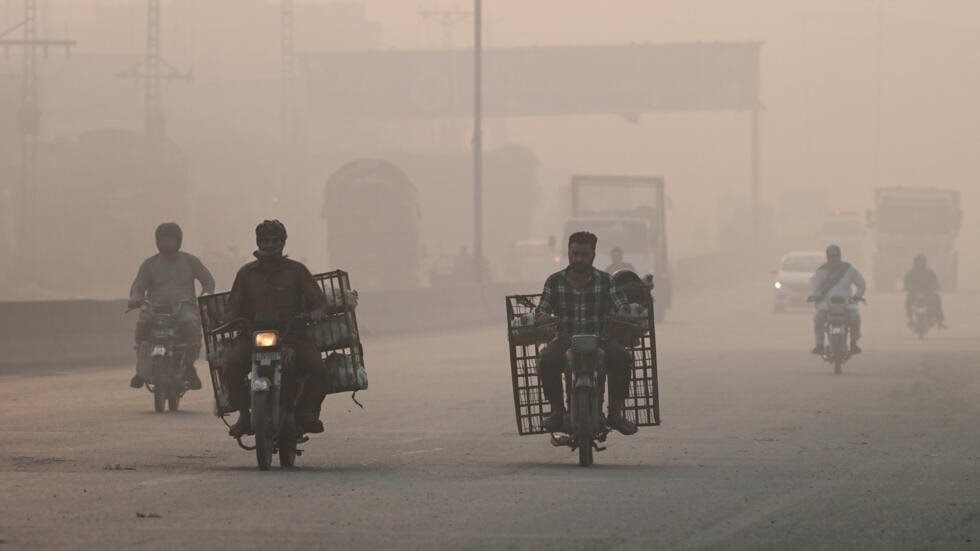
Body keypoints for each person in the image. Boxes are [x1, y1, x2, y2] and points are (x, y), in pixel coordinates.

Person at [222, 220, 330, 438]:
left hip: (294, 335)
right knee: (230, 366)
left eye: (274, 240)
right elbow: (233, 305)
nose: (269, 245)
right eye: (265, 240)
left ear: (283, 242)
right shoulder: (246, 274)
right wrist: (232, 318)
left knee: (320, 370)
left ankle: (306, 413)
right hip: (253, 335)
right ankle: (244, 415)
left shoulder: (297, 271)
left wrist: (317, 310)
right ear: (258, 242)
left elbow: (318, 301)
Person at [534, 231, 638, 436]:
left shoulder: (606, 281)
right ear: (568, 253)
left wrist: (624, 314)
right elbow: (542, 309)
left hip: (600, 339)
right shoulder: (554, 281)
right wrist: (542, 316)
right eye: (575, 254)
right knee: (546, 360)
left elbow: (621, 305)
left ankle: (615, 414)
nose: (579, 259)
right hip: (565, 339)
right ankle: (557, 412)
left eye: (584, 254)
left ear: (593, 255)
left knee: (624, 358)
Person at [128, 222, 215, 390]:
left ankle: (189, 367)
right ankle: (142, 371)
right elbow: (138, 287)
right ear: (157, 242)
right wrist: (136, 298)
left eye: (170, 240)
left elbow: (208, 281)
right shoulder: (149, 265)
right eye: (163, 240)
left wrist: (206, 294)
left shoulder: (191, 261)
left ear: (178, 241)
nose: (166, 244)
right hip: (155, 309)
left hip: (184, 307)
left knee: (191, 324)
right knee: (142, 326)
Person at [808, 244, 866, 355]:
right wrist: (812, 295)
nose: (833, 258)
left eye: (835, 255)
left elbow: (861, 284)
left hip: (847, 303)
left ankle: (853, 343)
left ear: (840, 255)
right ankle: (819, 344)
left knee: (855, 318)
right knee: (818, 319)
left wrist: (857, 296)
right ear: (827, 257)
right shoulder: (821, 271)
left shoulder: (849, 269)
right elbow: (813, 286)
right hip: (826, 304)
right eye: (831, 256)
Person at [904, 254, 946, 329]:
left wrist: (934, 287)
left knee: (936, 299)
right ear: (915, 262)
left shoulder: (929, 272)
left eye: (921, 262)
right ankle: (910, 318)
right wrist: (908, 288)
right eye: (918, 262)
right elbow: (907, 283)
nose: (920, 263)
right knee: (908, 301)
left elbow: (935, 282)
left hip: (928, 293)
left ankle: (939, 320)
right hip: (915, 293)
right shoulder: (911, 273)